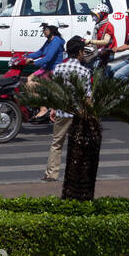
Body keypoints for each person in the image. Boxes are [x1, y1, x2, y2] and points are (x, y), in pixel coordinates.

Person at [41, 35, 92, 182]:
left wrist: (53, 108)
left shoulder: (59, 68)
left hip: (62, 111)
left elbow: (55, 90)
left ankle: (51, 173)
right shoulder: (84, 71)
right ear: (80, 52)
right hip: (78, 113)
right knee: (77, 145)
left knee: (56, 143)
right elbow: (87, 97)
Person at [27, 23, 65, 119]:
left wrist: (34, 63)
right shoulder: (49, 40)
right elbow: (40, 52)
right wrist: (25, 56)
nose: (43, 31)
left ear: (52, 29)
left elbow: (48, 58)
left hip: (53, 70)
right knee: (29, 78)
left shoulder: (56, 41)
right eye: (43, 28)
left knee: (30, 85)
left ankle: (43, 108)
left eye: (45, 28)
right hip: (46, 68)